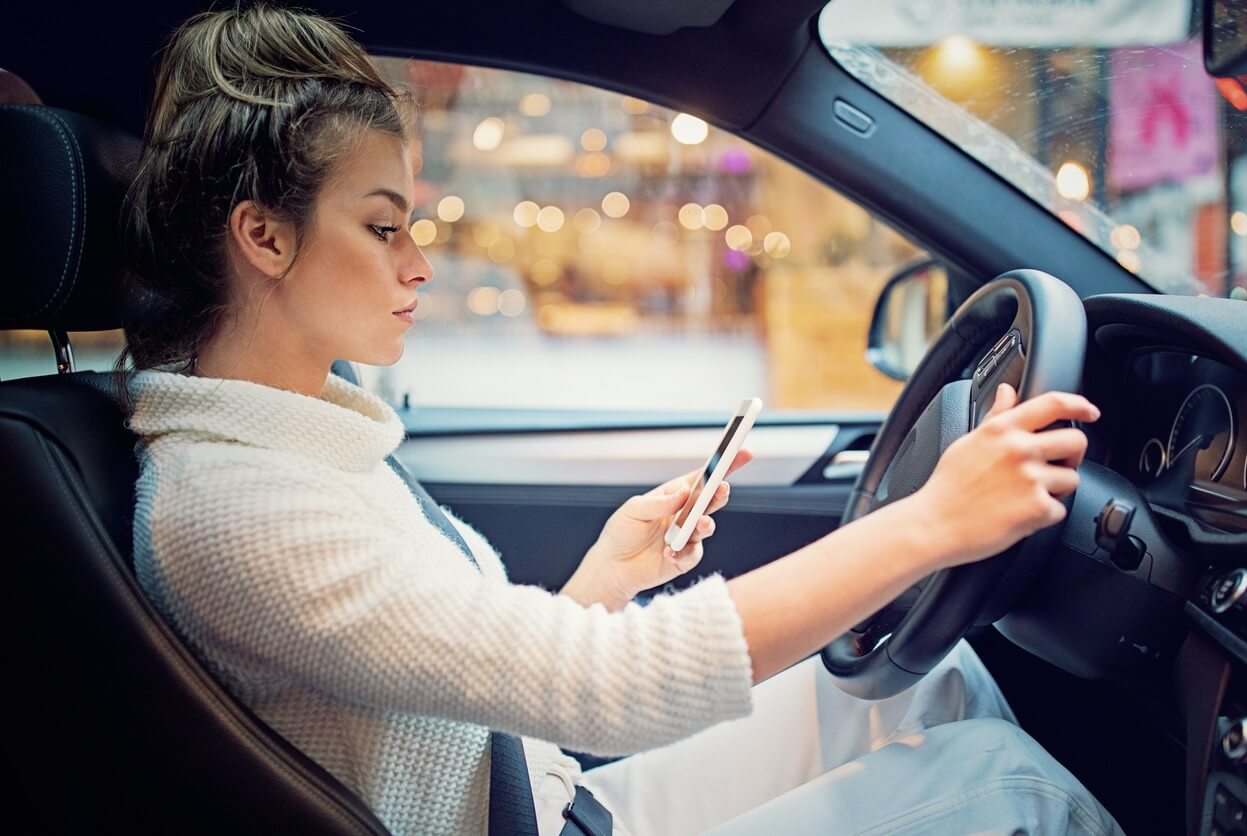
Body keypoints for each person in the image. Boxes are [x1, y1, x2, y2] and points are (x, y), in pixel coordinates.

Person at [120, 4, 1122, 835]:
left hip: (559, 798)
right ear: (263, 235)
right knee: (1012, 787)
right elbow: (601, 683)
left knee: (924, 684)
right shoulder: (232, 505)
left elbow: (467, 675)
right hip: (546, 821)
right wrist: (931, 521)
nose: (418, 263)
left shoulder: (294, 440)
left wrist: (610, 572)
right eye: (384, 227)